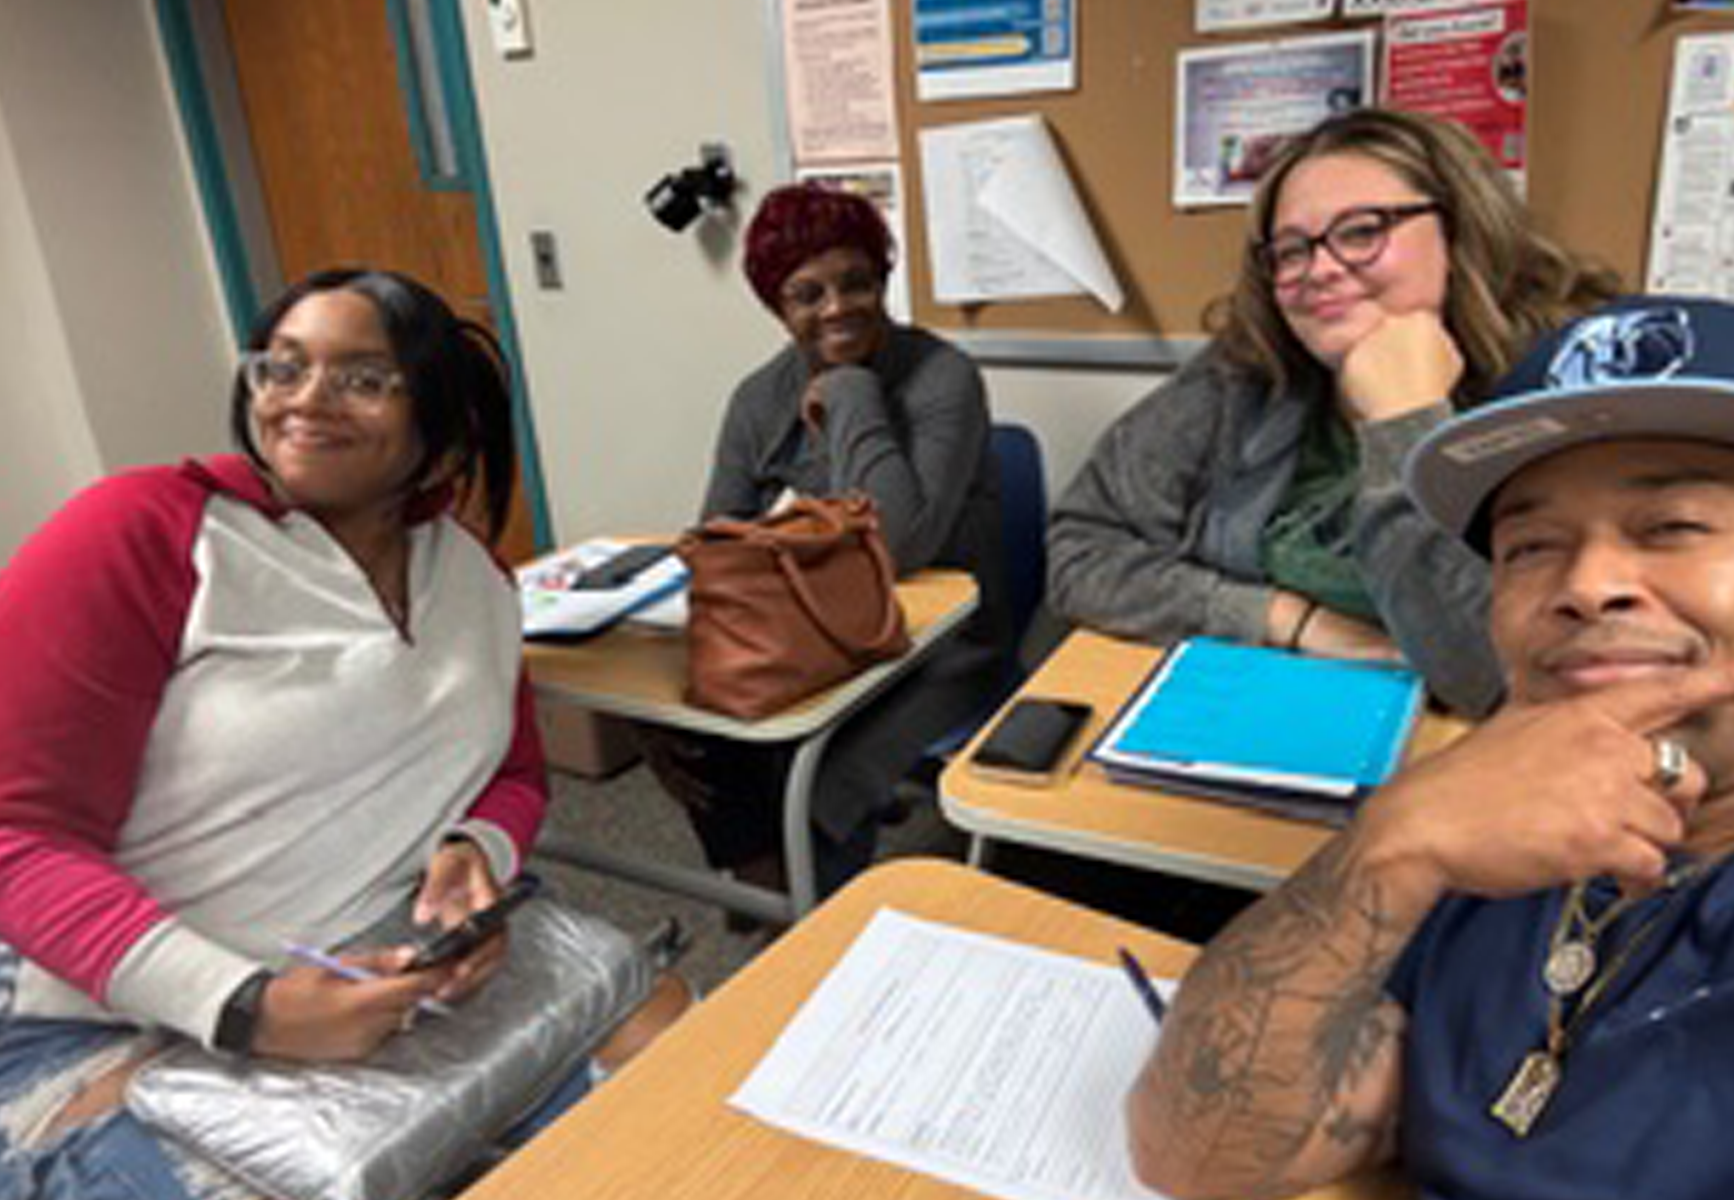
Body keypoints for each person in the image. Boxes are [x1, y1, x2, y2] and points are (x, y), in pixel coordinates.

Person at [0, 268, 676, 1199]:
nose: (304, 400)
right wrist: (247, 1009)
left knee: (676, 1077)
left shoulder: (472, 577)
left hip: (386, 968)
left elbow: (513, 773)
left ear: (441, 429)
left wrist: (471, 852)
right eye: (282, 367)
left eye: (362, 377)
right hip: (114, 1014)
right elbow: (15, 842)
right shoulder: (143, 532)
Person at [1126, 296, 1734, 1199]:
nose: (1586, 584)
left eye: (1672, 526)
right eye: (1530, 546)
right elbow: (1200, 1155)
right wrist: (1384, 850)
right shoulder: (1505, 824)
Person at [1047, 108, 1618, 716]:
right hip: (1270, 707)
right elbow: (1081, 549)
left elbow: (1508, 675)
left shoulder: (1575, 385)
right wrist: (1289, 619)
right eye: (1290, 251)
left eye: (1362, 230)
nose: (1318, 270)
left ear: (1460, 228)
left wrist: (1405, 423)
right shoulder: (1242, 374)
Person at [638, 182, 1009, 900]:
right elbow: (713, 546)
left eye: (856, 283)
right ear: (778, 308)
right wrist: (661, 703)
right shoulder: (757, 400)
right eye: (808, 295)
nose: (837, 307)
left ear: (884, 281)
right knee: (705, 726)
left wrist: (848, 391)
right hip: (817, 630)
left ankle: (809, 907)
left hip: (941, 646)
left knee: (821, 768)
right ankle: (778, 898)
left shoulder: (943, 378)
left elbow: (901, 545)